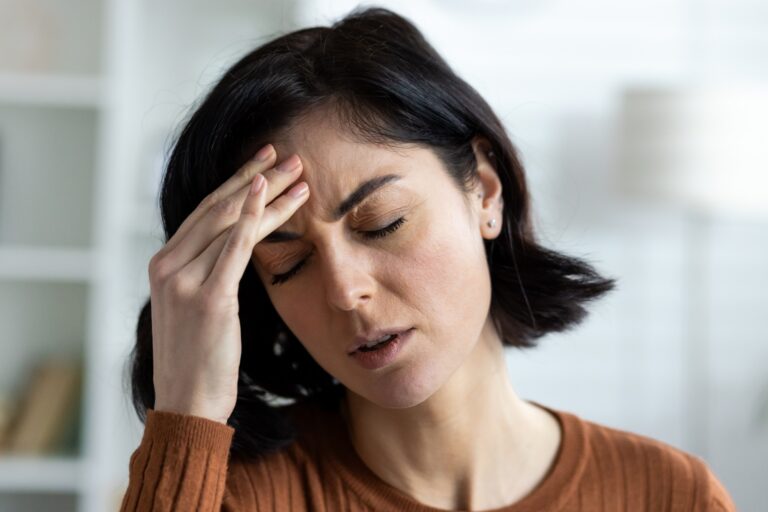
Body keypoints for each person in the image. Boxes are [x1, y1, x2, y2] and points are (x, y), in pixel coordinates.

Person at [120, 7, 735, 511]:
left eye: (383, 223)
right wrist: (185, 413)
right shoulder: (234, 496)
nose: (344, 291)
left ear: (485, 192)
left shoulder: (671, 495)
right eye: (289, 264)